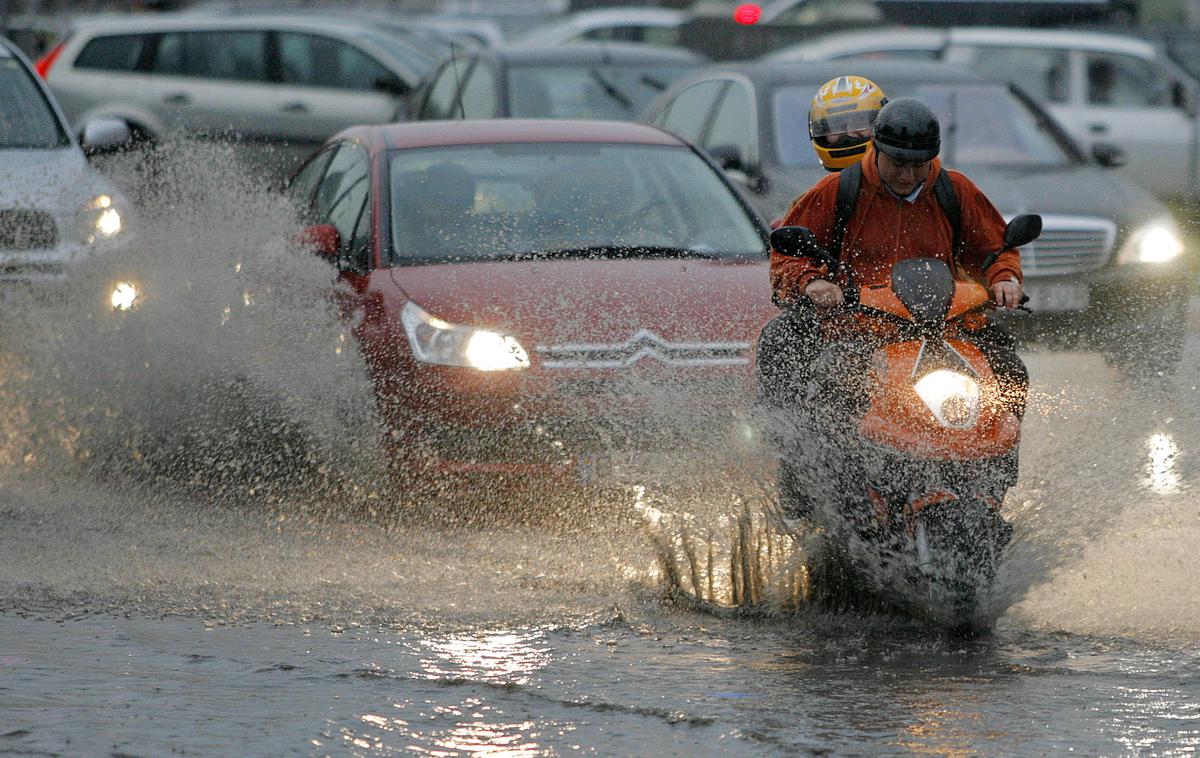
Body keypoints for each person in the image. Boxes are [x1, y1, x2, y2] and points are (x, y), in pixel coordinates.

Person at [756, 97, 1029, 516]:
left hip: (946, 327)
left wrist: (1004, 279)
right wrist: (812, 284)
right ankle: (813, 481)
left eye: (918, 165)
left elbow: (995, 249)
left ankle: (994, 481)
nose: (907, 174)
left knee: (1010, 369)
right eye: (897, 163)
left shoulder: (955, 190)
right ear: (876, 151)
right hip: (858, 328)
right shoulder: (837, 190)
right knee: (822, 373)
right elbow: (787, 255)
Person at [808, 74, 888, 172]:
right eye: (836, 126)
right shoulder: (825, 187)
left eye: (859, 122)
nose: (848, 134)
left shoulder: (904, 179)